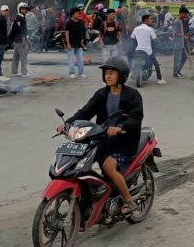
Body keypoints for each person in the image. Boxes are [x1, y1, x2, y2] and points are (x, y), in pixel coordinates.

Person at [58, 56, 143, 216]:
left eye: (112, 73)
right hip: (104, 139)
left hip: (125, 141)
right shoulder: (102, 94)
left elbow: (136, 118)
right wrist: (67, 124)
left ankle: (129, 201)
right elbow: (85, 112)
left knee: (108, 166)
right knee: (80, 160)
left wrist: (120, 127)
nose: (108, 76)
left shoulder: (133, 95)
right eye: (106, 73)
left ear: (122, 75)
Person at [131, 14, 165, 85]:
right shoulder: (149, 29)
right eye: (150, 19)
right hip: (148, 51)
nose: (151, 21)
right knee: (156, 64)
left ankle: (131, 73)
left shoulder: (136, 28)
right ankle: (160, 79)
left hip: (138, 50)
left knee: (132, 61)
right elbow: (155, 39)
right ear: (146, 20)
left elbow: (132, 38)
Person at [65, 7, 87, 79]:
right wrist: (68, 44)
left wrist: (82, 42)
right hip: (71, 44)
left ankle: (81, 73)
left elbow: (81, 33)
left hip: (79, 44)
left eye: (78, 13)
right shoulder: (69, 23)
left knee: (80, 60)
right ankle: (71, 73)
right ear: (72, 14)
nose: (78, 14)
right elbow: (67, 34)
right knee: (71, 60)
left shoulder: (81, 22)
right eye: (76, 13)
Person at [9, 2, 29, 78]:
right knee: (23, 56)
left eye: (25, 9)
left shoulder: (20, 17)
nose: (24, 10)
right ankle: (24, 73)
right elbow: (21, 30)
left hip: (17, 39)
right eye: (22, 9)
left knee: (16, 56)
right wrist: (24, 40)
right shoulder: (19, 18)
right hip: (20, 40)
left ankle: (14, 71)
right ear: (19, 9)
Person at [172, 7, 189, 78]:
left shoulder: (180, 21)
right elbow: (176, 33)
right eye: (185, 14)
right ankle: (175, 73)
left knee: (185, 57)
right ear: (181, 13)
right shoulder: (176, 22)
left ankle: (178, 71)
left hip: (181, 44)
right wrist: (184, 36)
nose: (186, 16)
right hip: (177, 44)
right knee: (177, 60)